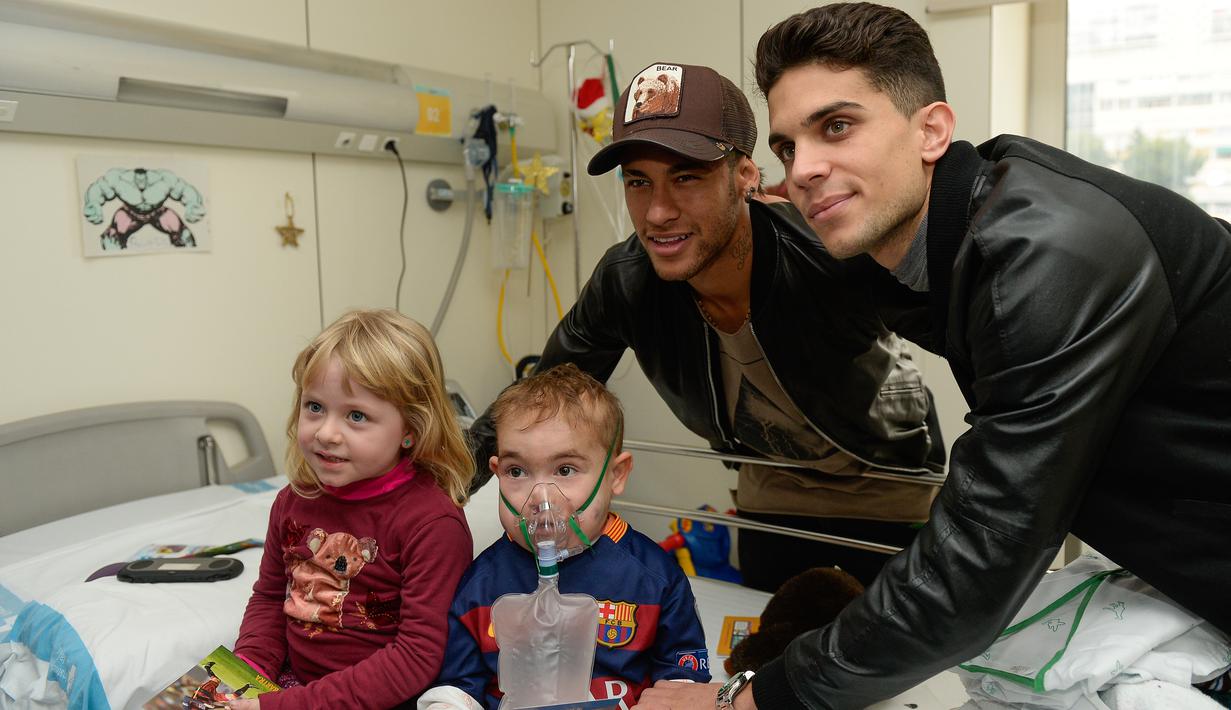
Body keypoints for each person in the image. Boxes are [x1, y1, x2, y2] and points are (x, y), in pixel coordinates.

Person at [639, 3, 1231, 709]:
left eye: (836, 126)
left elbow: (979, 563)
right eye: (788, 145)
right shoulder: (937, 237)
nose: (803, 169)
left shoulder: (1048, 256)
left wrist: (744, 700)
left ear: (931, 130)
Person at [467, 61, 946, 595]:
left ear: (745, 175)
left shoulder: (825, 254)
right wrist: (434, 487)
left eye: (687, 177)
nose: (658, 212)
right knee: (768, 649)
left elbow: (982, 356)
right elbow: (538, 399)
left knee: (906, 672)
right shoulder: (628, 281)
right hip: (771, 496)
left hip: (888, 491)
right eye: (638, 183)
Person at [421, 363, 711, 710]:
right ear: (496, 473)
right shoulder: (480, 585)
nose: (541, 498)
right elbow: (458, 685)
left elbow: (683, 680)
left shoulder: (654, 578)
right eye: (517, 471)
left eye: (565, 470)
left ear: (615, 475)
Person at [230, 308, 474, 710]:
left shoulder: (431, 523)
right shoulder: (294, 500)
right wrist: (246, 672)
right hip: (298, 686)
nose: (326, 432)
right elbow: (270, 598)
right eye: (314, 407)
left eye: (356, 415)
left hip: (384, 699)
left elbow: (416, 659)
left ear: (410, 429)